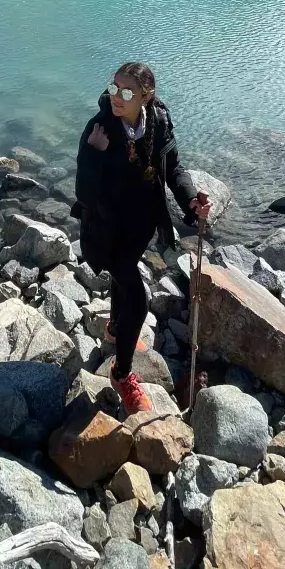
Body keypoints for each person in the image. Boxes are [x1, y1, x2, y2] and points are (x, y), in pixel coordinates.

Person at [72, 62, 210, 416]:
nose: (116, 96)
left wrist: (191, 201)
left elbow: (173, 169)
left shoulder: (159, 121)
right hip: (106, 230)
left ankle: (117, 330)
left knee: (127, 272)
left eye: (126, 92)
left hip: (140, 225)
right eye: (114, 88)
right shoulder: (100, 128)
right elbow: (85, 195)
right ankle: (121, 374)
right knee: (139, 299)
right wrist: (92, 154)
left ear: (146, 96)